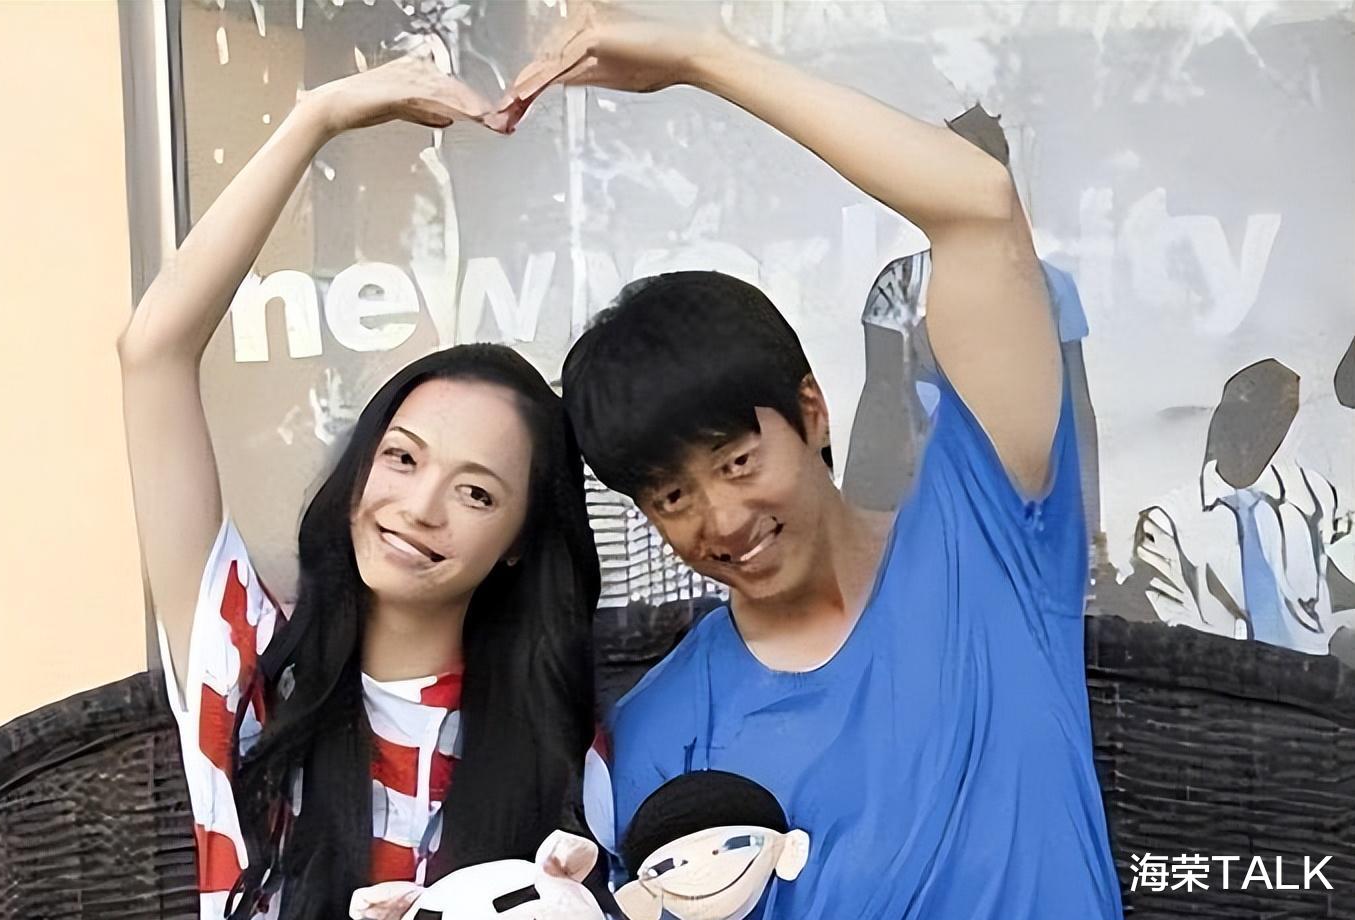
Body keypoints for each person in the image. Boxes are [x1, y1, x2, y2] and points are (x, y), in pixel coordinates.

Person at [491, 4, 1124, 917]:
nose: (721, 520)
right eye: (670, 495)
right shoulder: (663, 732)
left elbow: (978, 207)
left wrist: (704, 59)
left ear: (810, 410)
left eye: (736, 460)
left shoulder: (990, 538)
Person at [118, 54, 600, 920]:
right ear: (361, 469)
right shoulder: (251, 672)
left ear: (520, 541)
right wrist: (317, 118)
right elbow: (152, 353)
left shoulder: (557, 742)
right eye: (403, 459)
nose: (419, 508)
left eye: (477, 494)